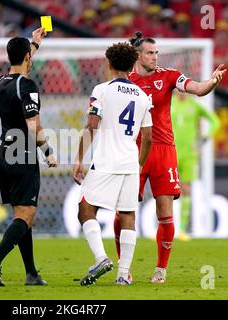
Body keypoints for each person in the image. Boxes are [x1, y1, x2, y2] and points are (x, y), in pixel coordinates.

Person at [113, 32, 226, 284]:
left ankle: (161, 269)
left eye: (156, 53)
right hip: (134, 152)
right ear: (137, 56)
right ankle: (124, 268)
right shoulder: (124, 82)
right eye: (150, 53)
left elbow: (198, 89)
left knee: (165, 213)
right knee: (123, 213)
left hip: (164, 151)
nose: (155, 57)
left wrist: (212, 81)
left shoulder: (169, 76)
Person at [0, 28, 58, 287]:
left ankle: (31, 273)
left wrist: (34, 43)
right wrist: (48, 152)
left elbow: (21, 66)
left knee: (22, 215)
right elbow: (33, 126)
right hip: (22, 154)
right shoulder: (28, 85)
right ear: (27, 57)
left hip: (4, 154)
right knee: (26, 216)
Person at [73, 42, 153, 286]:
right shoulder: (142, 96)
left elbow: (92, 125)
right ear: (132, 66)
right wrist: (139, 164)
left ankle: (100, 258)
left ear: (108, 64)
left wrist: (79, 159)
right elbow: (148, 137)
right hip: (130, 161)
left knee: (85, 208)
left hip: (106, 160)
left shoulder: (102, 90)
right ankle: (123, 274)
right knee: (128, 214)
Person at [171, 91, 220, 240]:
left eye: (184, 89)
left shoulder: (195, 105)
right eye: (179, 88)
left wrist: (206, 135)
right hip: (170, 152)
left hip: (189, 155)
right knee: (164, 192)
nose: (181, 91)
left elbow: (215, 121)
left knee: (186, 190)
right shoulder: (168, 103)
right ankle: (163, 229)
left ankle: (181, 230)